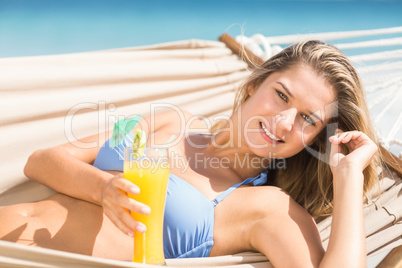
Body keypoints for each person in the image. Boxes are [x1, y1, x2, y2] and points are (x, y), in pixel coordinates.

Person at [0, 40, 380, 267]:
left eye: (306, 120)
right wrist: (102, 189)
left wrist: (347, 177)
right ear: (253, 86)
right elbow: (42, 161)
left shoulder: (267, 208)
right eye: (281, 94)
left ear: (314, 138)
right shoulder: (170, 120)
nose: (282, 122)